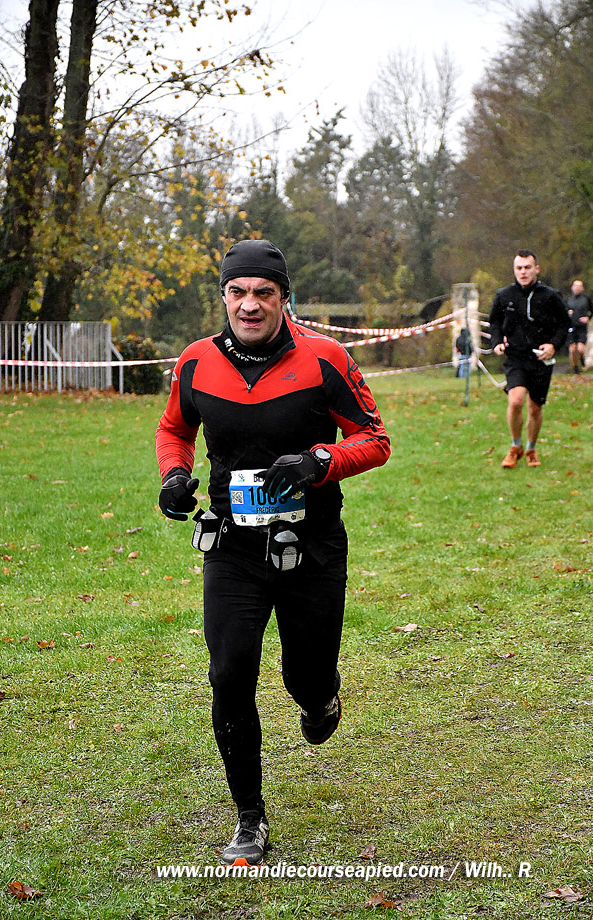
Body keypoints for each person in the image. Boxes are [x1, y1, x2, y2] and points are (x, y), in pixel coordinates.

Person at [155, 239, 391, 866]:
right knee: (229, 672)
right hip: (233, 546)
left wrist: (319, 461)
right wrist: (174, 476)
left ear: (285, 298)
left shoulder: (325, 358)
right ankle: (249, 817)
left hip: (311, 545)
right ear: (223, 296)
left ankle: (321, 696)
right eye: (238, 292)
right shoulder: (196, 362)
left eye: (264, 292)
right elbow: (175, 428)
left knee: (303, 677)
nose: (250, 304)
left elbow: (374, 439)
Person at [489, 249, 570, 468]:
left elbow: (564, 324)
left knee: (535, 407)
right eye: (519, 268)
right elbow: (494, 322)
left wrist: (553, 345)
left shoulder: (550, 296)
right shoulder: (504, 295)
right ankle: (515, 447)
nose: (523, 272)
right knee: (515, 401)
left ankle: (531, 449)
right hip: (516, 356)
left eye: (527, 267)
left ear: (536, 269)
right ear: (514, 270)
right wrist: (496, 342)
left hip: (541, 358)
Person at [566, 279, 592, 375]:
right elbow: (563, 310)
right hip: (571, 326)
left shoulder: (586, 298)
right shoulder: (568, 299)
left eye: (579, 286)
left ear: (582, 288)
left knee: (580, 349)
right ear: (572, 287)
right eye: (575, 286)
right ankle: (575, 368)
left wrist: (587, 318)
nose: (577, 288)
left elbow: (591, 310)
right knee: (572, 349)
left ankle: (581, 359)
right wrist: (568, 312)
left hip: (581, 327)